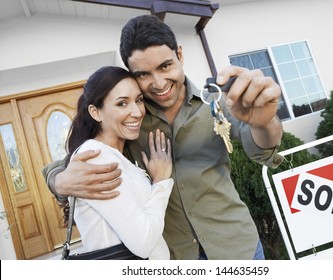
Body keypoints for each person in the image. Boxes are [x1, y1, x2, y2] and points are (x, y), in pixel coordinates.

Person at [43, 15, 284, 260]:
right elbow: (74, 161)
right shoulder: (130, 120)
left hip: (237, 247)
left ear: (179, 54)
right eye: (144, 74)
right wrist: (59, 182)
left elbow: (262, 150)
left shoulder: (217, 104)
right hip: (177, 258)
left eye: (165, 66)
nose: (158, 83)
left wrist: (265, 122)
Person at [62, 66, 173, 260]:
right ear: (96, 113)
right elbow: (144, 243)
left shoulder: (115, 154)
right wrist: (162, 182)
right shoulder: (95, 157)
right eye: (122, 103)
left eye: (138, 100)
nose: (138, 112)